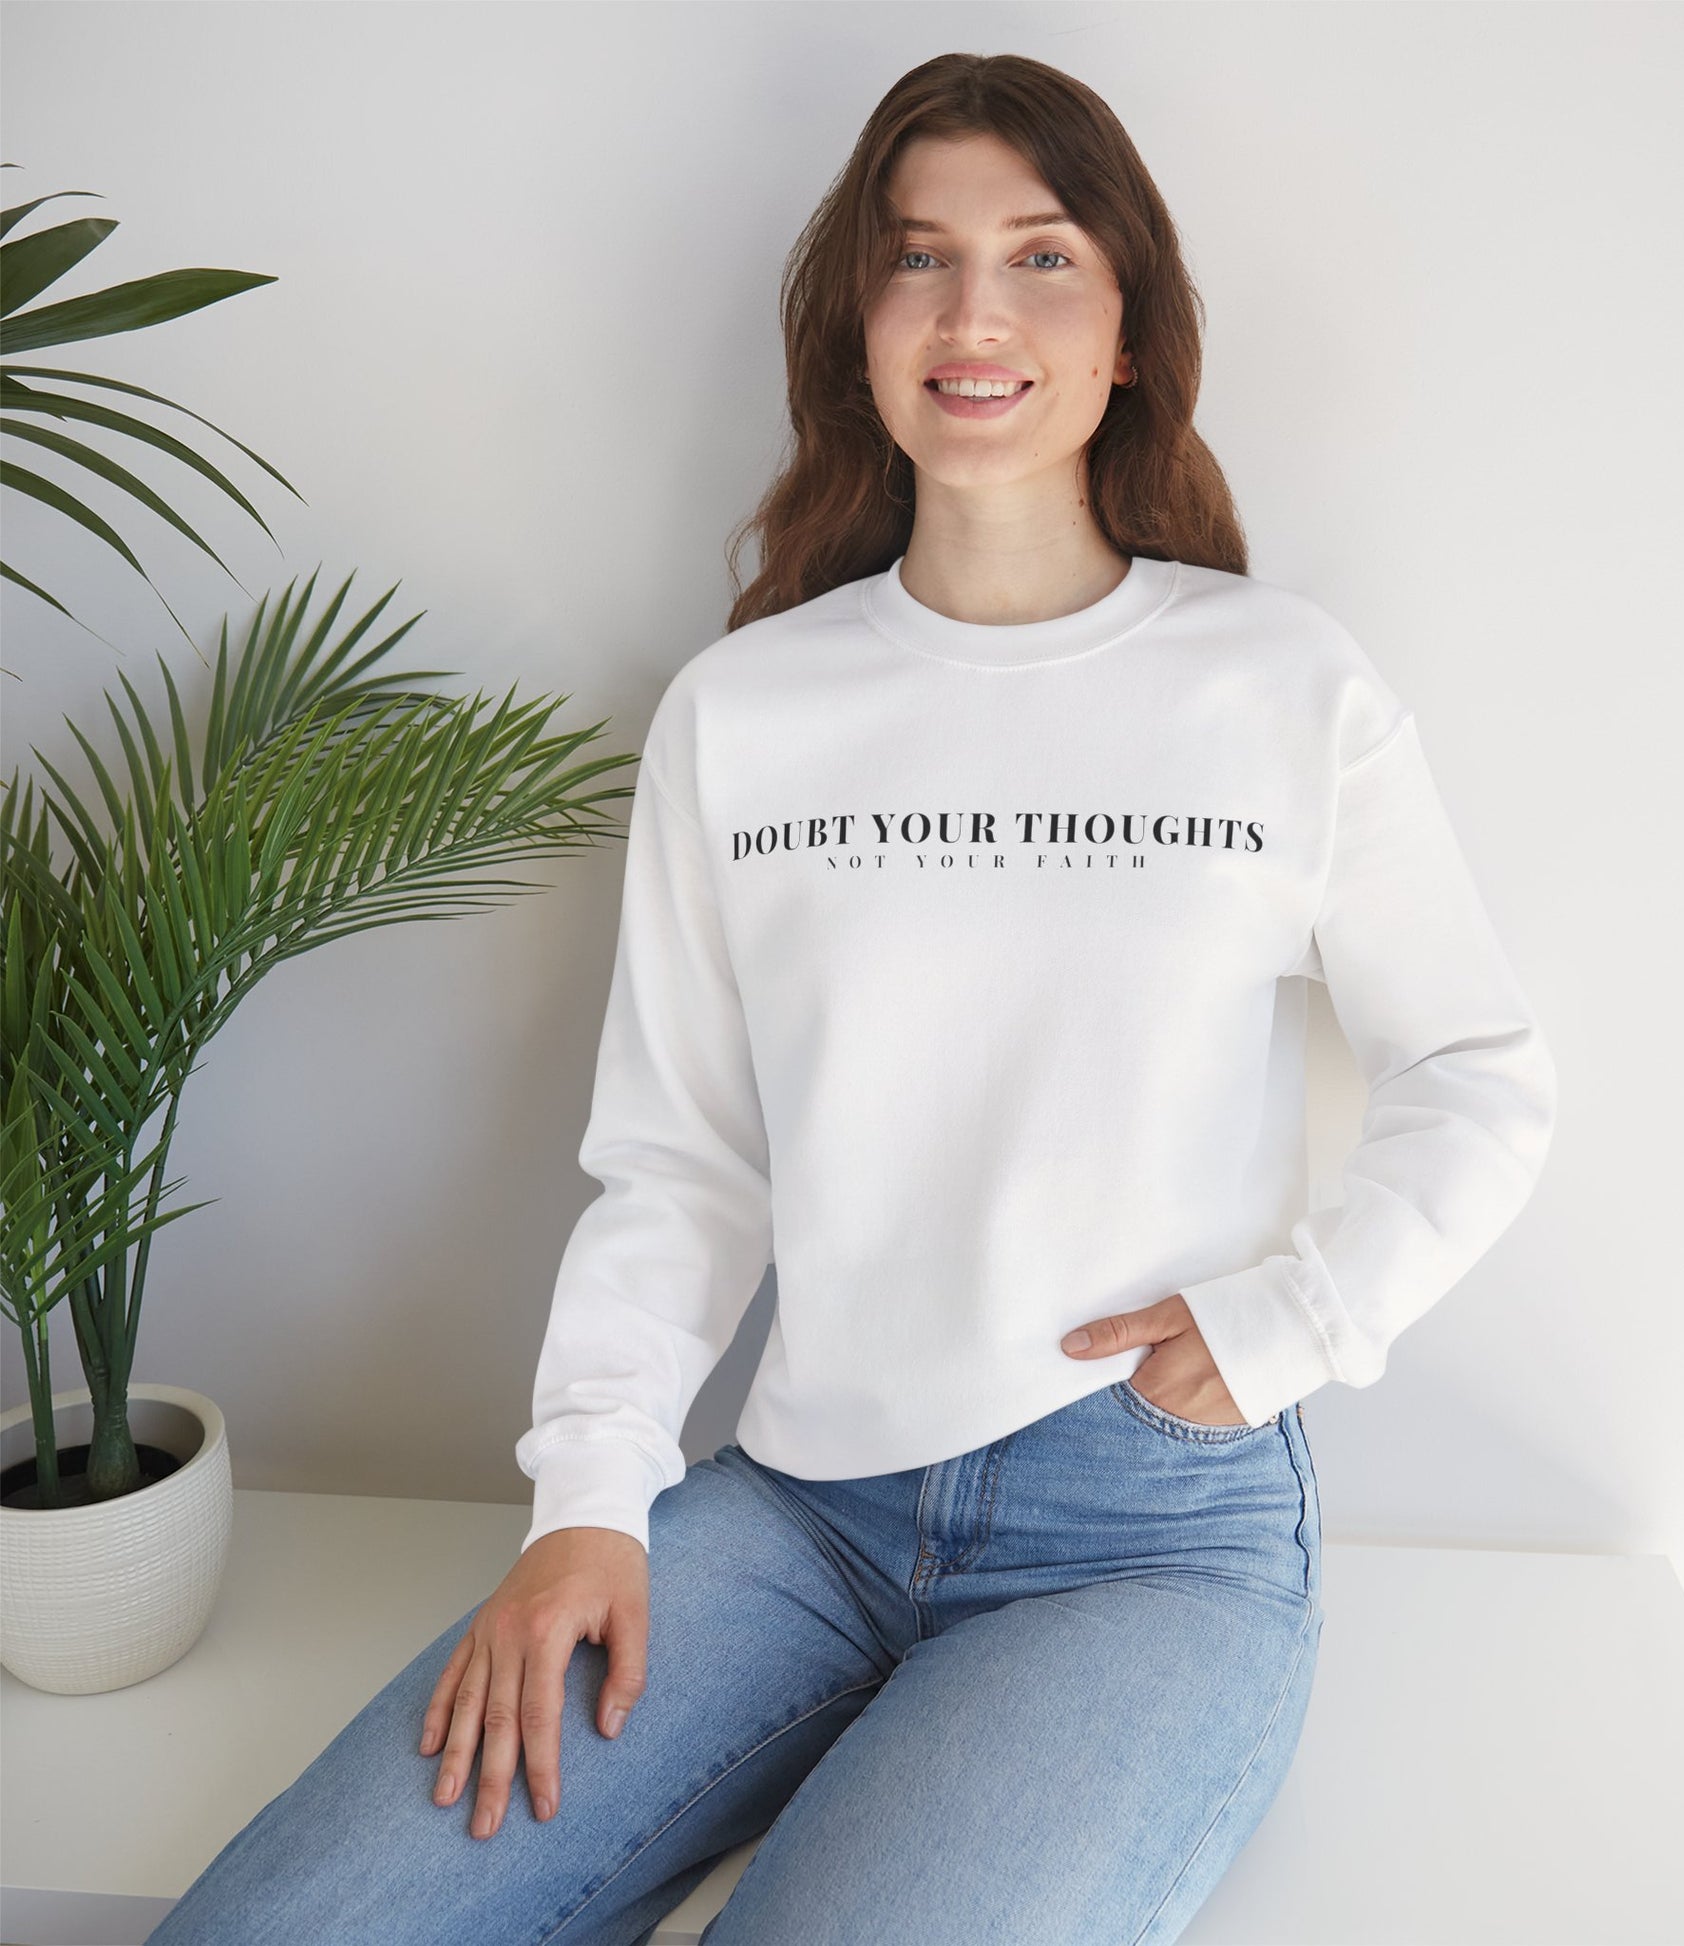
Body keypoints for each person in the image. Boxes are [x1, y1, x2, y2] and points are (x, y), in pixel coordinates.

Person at [148, 50, 1557, 1946]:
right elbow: (681, 1165)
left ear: (1128, 326)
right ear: (860, 324)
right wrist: (589, 1496)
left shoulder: (1280, 687)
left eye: (1041, 258)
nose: (974, 314)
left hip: (1144, 1537)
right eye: (918, 261)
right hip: (799, 1507)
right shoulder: (748, 710)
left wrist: (1296, 1315)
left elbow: (1477, 1068)